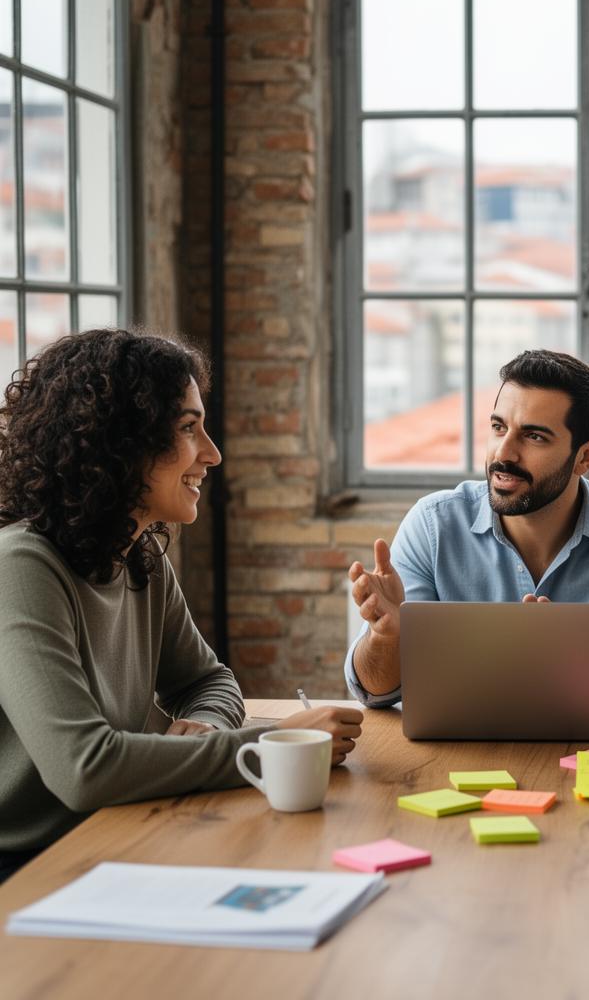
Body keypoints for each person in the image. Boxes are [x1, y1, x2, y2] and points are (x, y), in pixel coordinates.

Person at [0, 329, 362, 884]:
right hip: (29, 869)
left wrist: (203, 726)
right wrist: (279, 744)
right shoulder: (21, 566)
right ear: (120, 442)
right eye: (189, 429)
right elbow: (84, 770)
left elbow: (209, 680)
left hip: (113, 835)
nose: (212, 454)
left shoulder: (137, 554)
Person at [345, 349, 589, 706]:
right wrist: (386, 639)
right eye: (498, 427)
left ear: (585, 457)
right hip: (457, 759)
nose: (504, 453)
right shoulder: (433, 525)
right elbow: (376, 691)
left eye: (534, 436)